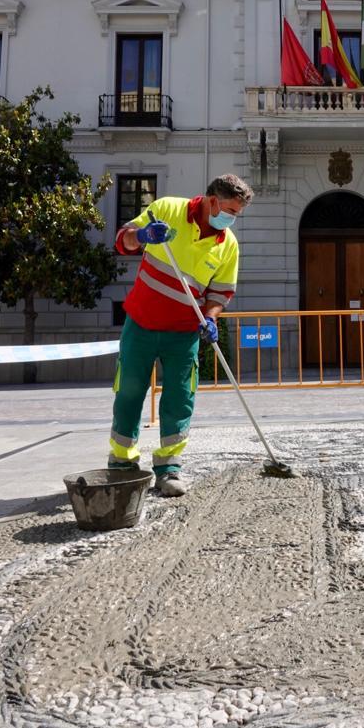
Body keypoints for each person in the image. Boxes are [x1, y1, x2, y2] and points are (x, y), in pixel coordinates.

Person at [108, 173, 254, 497]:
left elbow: (219, 294)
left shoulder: (227, 245)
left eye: (236, 214)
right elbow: (123, 240)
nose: (230, 219)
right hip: (141, 323)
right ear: (213, 200)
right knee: (129, 390)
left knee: (179, 399)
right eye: (229, 210)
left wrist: (211, 319)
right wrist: (144, 234)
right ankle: (121, 462)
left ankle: (169, 468)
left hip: (184, 333)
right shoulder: (167, 210)